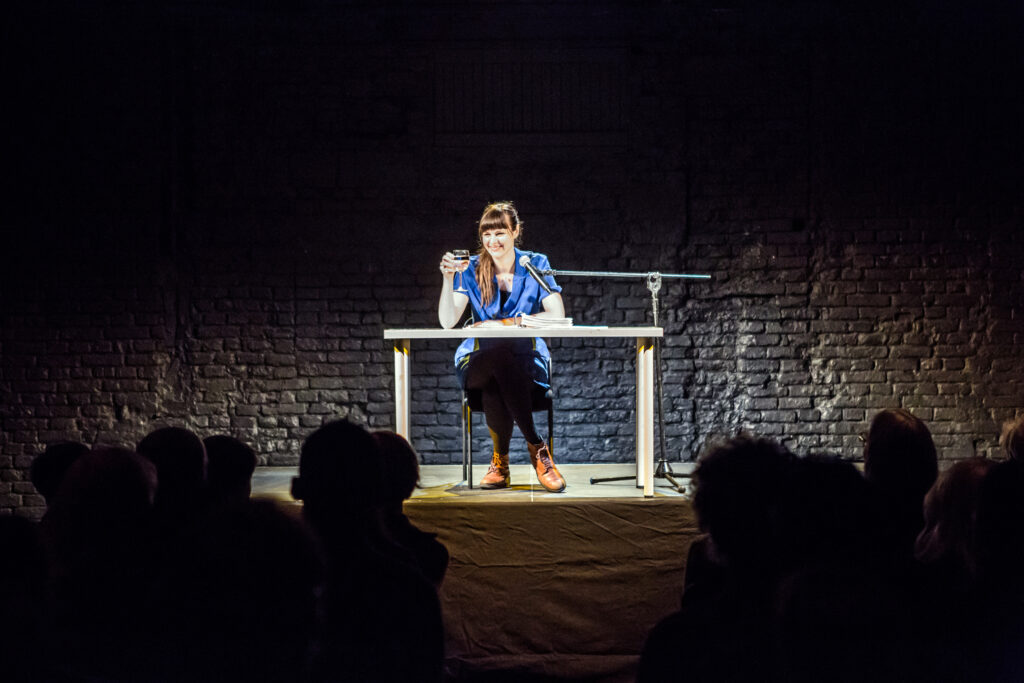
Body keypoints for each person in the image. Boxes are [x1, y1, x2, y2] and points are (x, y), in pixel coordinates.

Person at [437, 201, 567, 492]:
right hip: (477, 362)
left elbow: (557, 314)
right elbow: (447, 321)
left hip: (527, 362)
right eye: (487, 234)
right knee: (495, 358)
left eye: (500, 233)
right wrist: (447, 279)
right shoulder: (470, 267)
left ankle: (500, 464)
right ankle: (538, 448)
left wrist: (506, 323)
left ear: (516, 231)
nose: (492, 241)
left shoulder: (535, 263)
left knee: (496, 379)